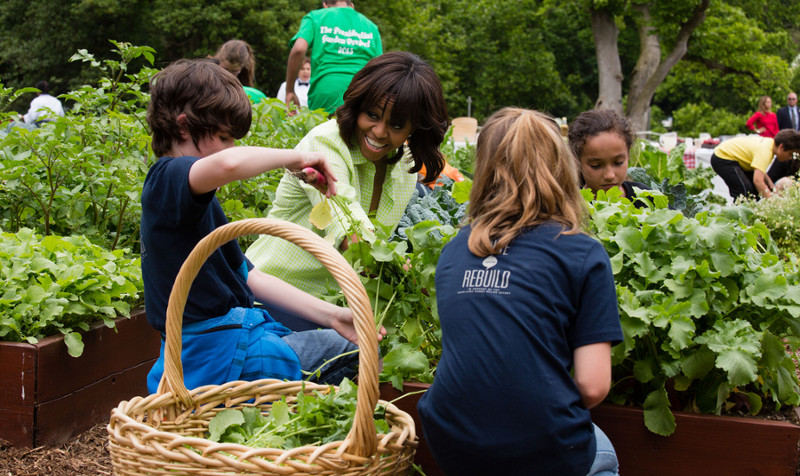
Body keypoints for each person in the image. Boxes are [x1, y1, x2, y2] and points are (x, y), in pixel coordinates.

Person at [141, 58, 382, 394]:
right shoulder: (165, 180)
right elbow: (227, 164)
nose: (232, 148)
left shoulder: (200, 205)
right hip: (215, 360)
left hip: (235, 344)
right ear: (183, 127)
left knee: (348, 341)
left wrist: (334, 315)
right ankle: (259, 403)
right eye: (225, 136)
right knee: (358, 354)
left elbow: (250, 277)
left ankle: (266, 403)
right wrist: (297, 158)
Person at [417, 107, 622, 475]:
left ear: (483, 171)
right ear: (563, 166)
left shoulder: (456, 249)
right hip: (545, 447)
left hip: (450, 439)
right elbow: (593, 387)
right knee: (604, 452)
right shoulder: (583, 253)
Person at [246, 51, 448, 302]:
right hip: (270, 294)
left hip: (335, 306)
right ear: (358, 104)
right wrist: (425, 283)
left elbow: (371, 258)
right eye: (372, 115)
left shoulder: (405, 167)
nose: (379, 132)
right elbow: (357, 245)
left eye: (396, 125)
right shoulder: (326, 143)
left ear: (414, 127)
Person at [284, 0, 382, 115]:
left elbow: (299, 49)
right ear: (351, 5)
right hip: (361, 93)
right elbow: (380, 67)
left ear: (325, 5)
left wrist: (290, 90)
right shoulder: (371, 27)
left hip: (325, 92)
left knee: (323, 132)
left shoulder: (315, 17)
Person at [568, 109, 650, 208]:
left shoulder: (646, 197)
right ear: (577, 162)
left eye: (618, 163)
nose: (609, 175)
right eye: (596, 165)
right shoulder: (571, 208)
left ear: (628, 155)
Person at [710, 130, 800, 200]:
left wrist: (771, 186)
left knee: (754, 192)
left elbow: (761, 171)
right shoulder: (765, 152)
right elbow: (758, 181)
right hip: (723, 158)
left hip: (732, 158)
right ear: (781, 147)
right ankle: (739, 219)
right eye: (790, 154)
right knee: (744, 191)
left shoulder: (770, 145)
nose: (790, 158)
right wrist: (772, 201)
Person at [213, 40, 267, 104]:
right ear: (219, 61)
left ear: (243, 67)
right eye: (225, 69)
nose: (229, 75)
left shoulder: (252, 94)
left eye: (234, 71)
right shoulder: (206, 75)